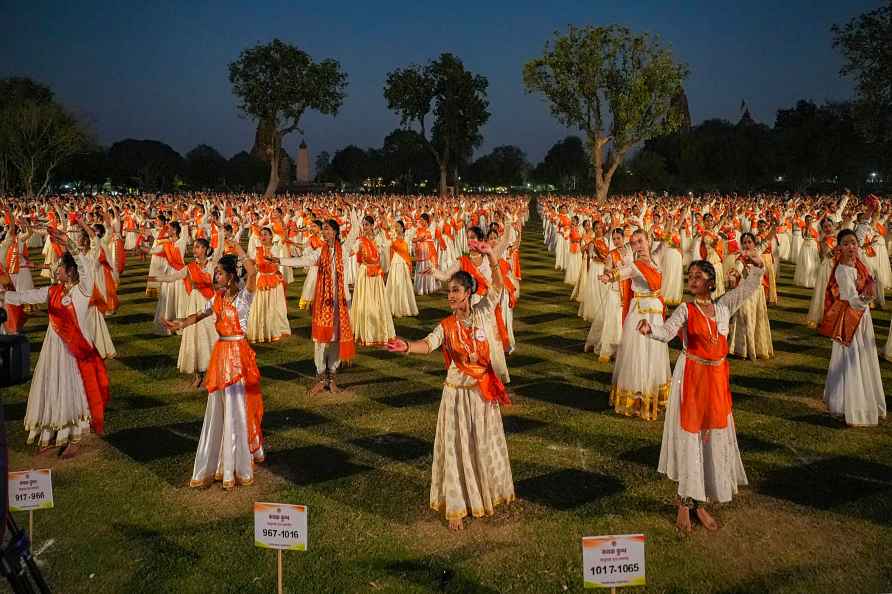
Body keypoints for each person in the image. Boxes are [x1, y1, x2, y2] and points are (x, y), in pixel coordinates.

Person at [385, 241, 514, 531]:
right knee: (456, 447)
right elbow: (427, 345)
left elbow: (498, 286)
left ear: (468, 293)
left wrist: (492, 256)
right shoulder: (445, 326)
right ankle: (456, 507)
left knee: (481, 443)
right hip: (456, 394)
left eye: (455, 290)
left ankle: (485, 494)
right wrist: (406, 345)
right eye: (449, 292)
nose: (450, 296)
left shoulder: (482, 312)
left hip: (482, 393)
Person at [637, 253, 765, 534]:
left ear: (710, 281)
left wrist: (756, 267)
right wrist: (649, 330)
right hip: (692, 378)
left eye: (697, 276)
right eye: (690, 276)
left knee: (711, 438)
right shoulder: (686, 309)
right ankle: (684, 502)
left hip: (717, 379)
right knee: (691, 437)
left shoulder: (722, 307)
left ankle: (699, 501)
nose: (692, 280)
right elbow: (667, 331)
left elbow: (747, 289)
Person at [162, 247, 265, 490]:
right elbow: (199, 315)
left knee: (237, 407)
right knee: (218, 406)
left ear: (230, 276)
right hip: (221, 355)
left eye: (219, 273)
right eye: (215, 273)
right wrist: (181, 323)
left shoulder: (244, 297)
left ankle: (237, 463)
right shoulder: (216, 299)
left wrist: (237, 249)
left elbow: (252, 271)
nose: (215, 276)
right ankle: (220, 461)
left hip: (238, 356)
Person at [0, 230, 110, 457]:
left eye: (59, 266)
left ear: (70, 271)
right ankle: (50, 433)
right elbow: (26, 297)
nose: (55, 269)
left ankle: (74, 437)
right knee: (50, 385)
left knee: (72, 388)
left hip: (74, 350)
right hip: (53, 348)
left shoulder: (83, 291)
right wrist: (4, 296)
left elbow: (85, 267)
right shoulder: (53, 291)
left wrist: (69, 243)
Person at [274, 219, 356, 394]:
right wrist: (279, 260)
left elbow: (355, 229)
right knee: (320, 341)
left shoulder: (344, 250)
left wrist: (354, 212)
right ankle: (320, 378)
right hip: (323, 302)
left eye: (327, 229)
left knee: (336, 340)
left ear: (335, 231)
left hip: (340, 303)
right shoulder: (320, 252)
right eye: (323, 230)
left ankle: (332, 377)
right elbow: (302, 261)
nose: (324, 233)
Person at [599, 229, 670, 420]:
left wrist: (674, 223)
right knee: (638, 353)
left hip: (655, 314)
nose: (638, 245)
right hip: (640, 313)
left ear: (649, 241)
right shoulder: (635, 265)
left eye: (641, 241)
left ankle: (651, 393)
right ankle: (636, 396)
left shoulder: (655, 259)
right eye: (634, 243)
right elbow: (621, 272)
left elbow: (666, 242)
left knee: (653, 353)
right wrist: (607, 277)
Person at [818, 229, 886, 426]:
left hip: (863, 318)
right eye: (846, 244)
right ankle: (850, 404)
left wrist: (868, 291)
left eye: (854, 243)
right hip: (849, 320)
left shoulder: (859, 265)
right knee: (851, 359)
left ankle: (865, 400)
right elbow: (851, 299)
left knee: (864, 357)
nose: (851, 247)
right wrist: (867, 296)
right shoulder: (841, 270)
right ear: (839, 247)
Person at [350, 215, 396, 346]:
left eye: (366, 225)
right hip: (365, 274)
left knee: (377, 302)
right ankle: (366, 331)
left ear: (371, 226)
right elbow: (351, 251)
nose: (364, 227)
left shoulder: (378, 239)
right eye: (363, 225)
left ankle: (377, 330)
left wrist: (387, 222)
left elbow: (389, 241)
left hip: (376, 274)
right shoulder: (360, 241)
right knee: (366, 302)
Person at [385, 221, 419, 317]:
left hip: (403, 263)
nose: (396, 228)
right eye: (395, 226)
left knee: (403, 284)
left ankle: (404, 306)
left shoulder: (407, 237)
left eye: (398, 226)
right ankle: (394, 306)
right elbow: (387, 245)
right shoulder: (393, 237)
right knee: (395, 283)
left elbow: (414, 229)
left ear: (402, 227)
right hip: (395, 262)